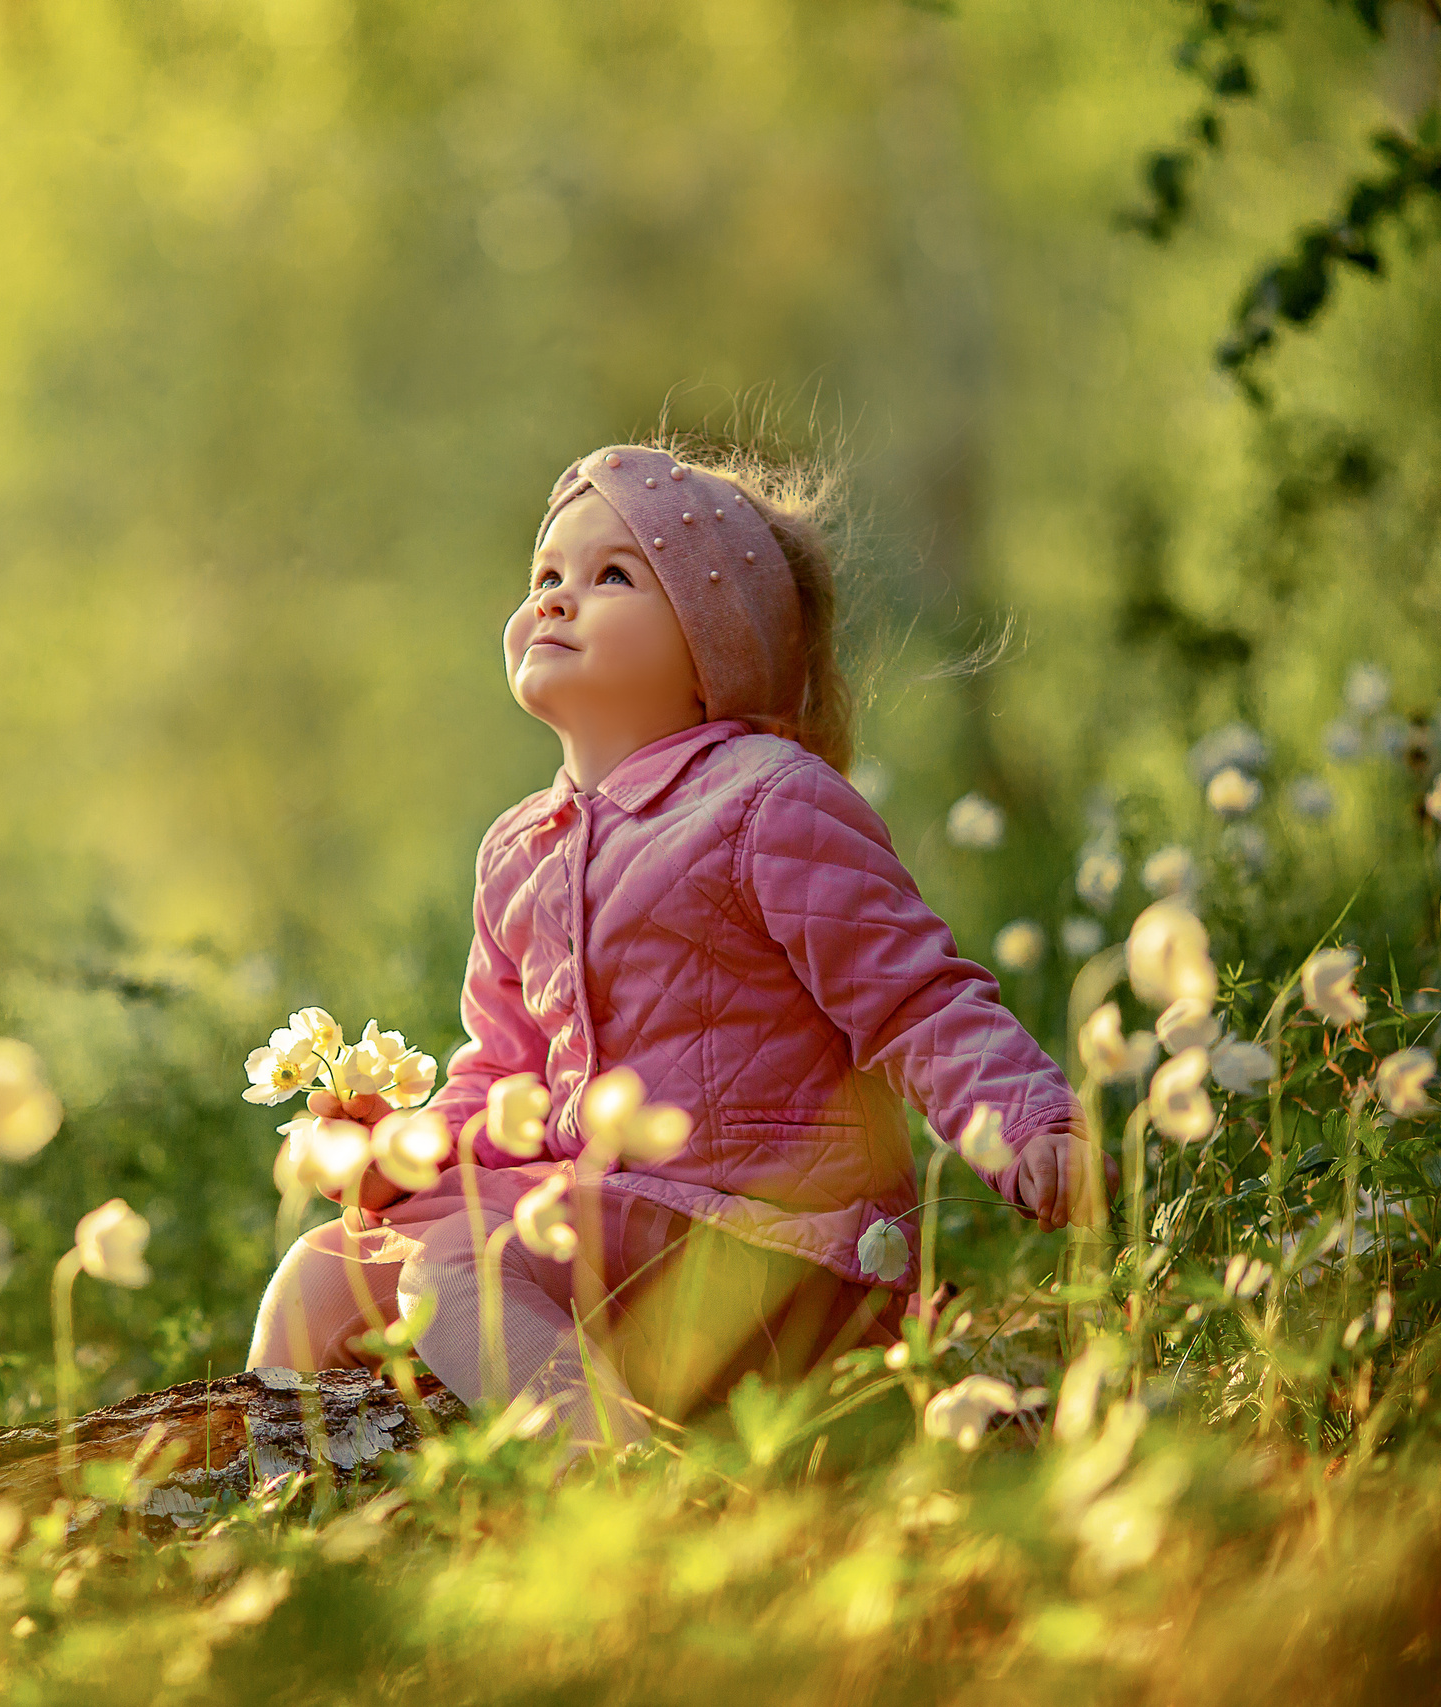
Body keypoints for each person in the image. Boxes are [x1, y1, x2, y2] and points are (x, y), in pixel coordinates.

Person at [245, 440, 1096, 1451]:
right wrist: (402, 1156)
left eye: (611, 576)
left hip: (777, 1252)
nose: (557, 599)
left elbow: (914, 997)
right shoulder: (519, 850)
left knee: (465, 1261)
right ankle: (292, 1508)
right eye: (546, 576)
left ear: (713, 646)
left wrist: (1031, 1125)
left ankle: (624, 1505)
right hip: (599, 1231)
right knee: (319, 1273)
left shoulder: (767, 798)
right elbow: (506, 1074)